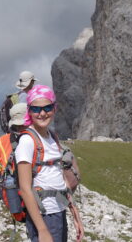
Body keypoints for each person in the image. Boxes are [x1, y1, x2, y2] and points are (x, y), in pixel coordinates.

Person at [15, 85, 84, 242]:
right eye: (36, 109)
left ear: (54, 108)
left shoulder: (52, 137)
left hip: (58, 210)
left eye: (47, 107)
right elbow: (25, 189)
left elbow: (61, 179)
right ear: (29, 110)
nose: (42, 113)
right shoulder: (27, 141)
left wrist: (75, 214)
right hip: (43, 215)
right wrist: (42, 230)